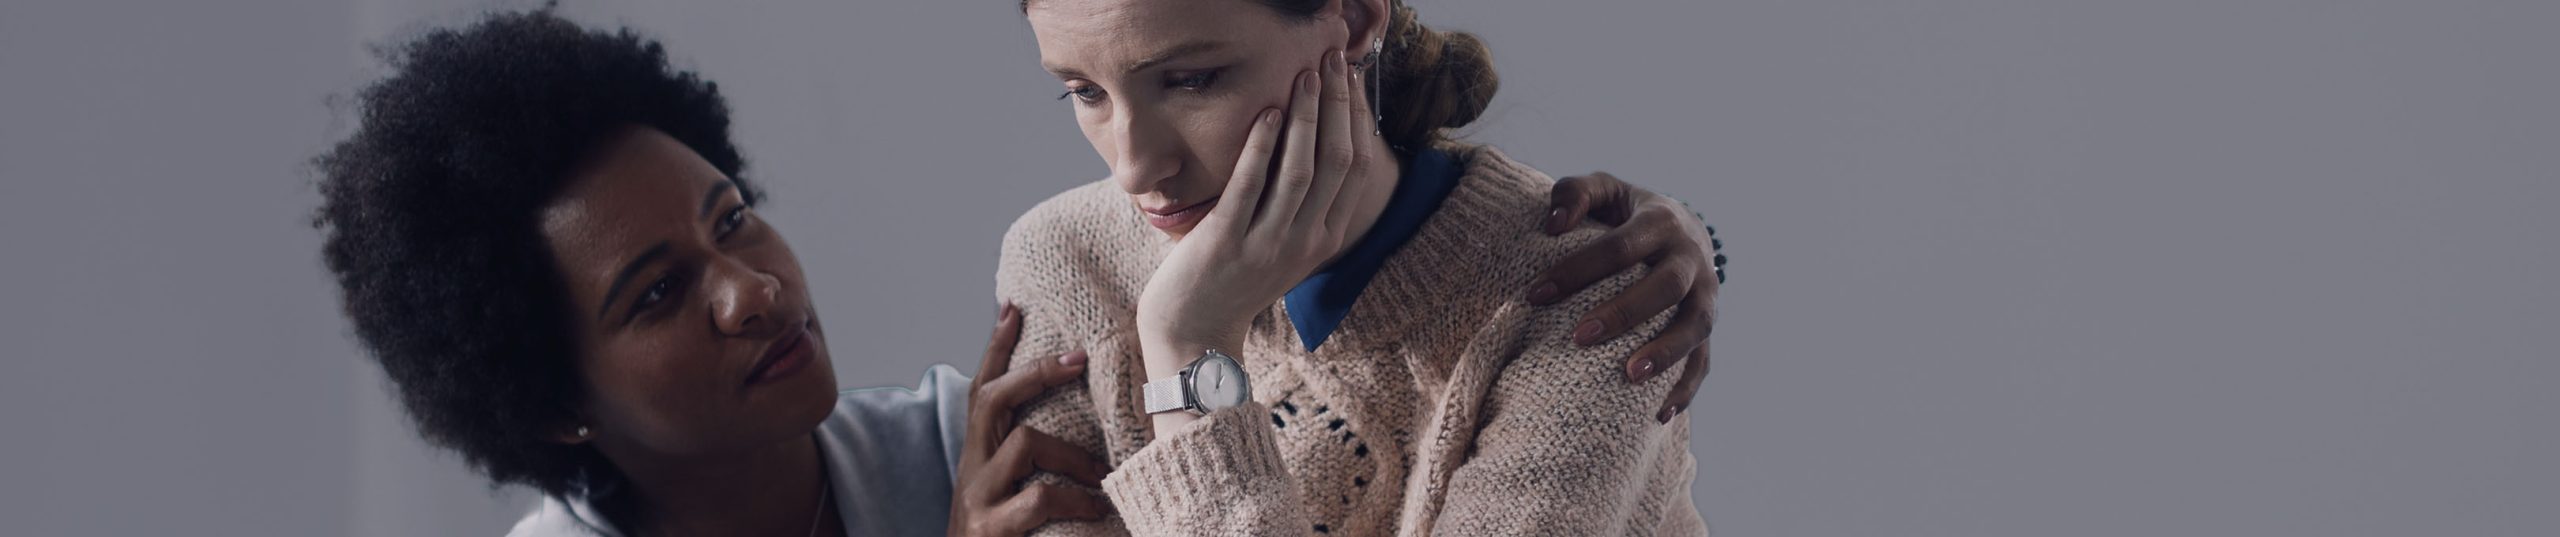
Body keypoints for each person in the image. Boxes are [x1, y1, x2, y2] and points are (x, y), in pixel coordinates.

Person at [311, 9, 1721, 537]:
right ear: (549, 402)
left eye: (733, 219)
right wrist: (1189, 347)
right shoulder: (1079, 290)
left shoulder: (974, 437)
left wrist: (1671, 240)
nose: (752, 290)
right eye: (656, 294)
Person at [988, 0, 1714, 534]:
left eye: (1192, 79)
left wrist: (1188, 353)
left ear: (1357, 20)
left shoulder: (1588, 296)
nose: (1135, 167)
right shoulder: (1068, 261)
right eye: (1085, 92)